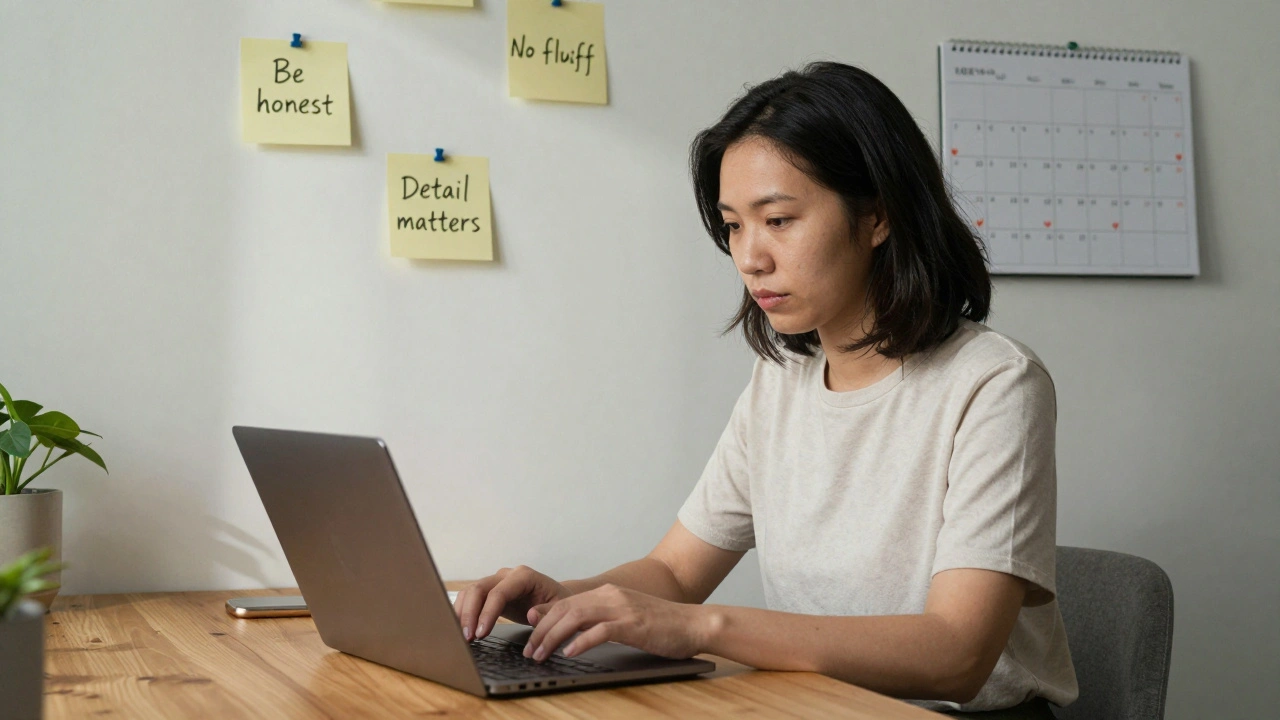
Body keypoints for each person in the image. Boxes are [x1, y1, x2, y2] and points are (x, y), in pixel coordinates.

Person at [453, 61, 1078, 718]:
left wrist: (703, 629)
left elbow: (956, 653)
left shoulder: (995, 383)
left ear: (877, 217)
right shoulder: (780, 383)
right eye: (733, 225)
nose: (750, 256)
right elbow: (672, 574)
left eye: (778, 219)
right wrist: (563, 598)